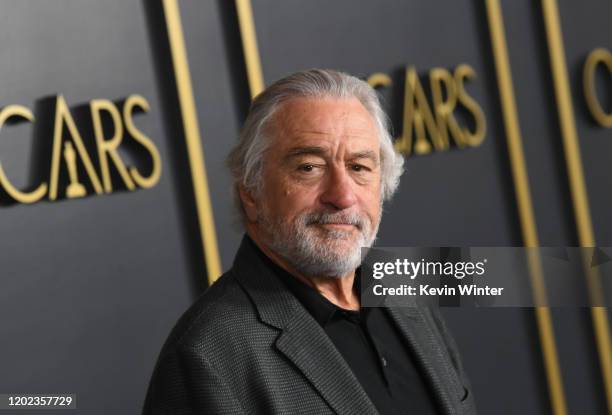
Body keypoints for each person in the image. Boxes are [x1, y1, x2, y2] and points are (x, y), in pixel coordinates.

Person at [143, 69, 476, 414]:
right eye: (309, 168)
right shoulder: (207, 357)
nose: (342, 196)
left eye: (359, 167)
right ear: (251, 193)